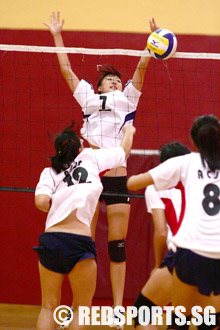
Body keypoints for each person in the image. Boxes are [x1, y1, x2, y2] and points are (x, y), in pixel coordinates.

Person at [44, 11, 160, 317]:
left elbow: (142, 67)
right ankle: (78, 304)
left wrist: (154, 41)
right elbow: (66, 68)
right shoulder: (88, 99)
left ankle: (119, 308)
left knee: (117, 245)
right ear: (99, 87)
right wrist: (57, 34)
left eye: (118, 79)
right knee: (84, 241)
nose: (116, 80)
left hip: (117, 174)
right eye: (110, 79)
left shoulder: (127, 99)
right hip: (91, 173)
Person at [33, 122, 136, 330]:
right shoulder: (90, 157)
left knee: (49, 306)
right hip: (78, 242)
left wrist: (59, 205)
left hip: (51, 240)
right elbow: (123, 151)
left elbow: (41, 202)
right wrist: (129, 131)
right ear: (79, 148)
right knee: (82, 308)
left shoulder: (50, 171)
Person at [128, 115, 220, 330]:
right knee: (208, 324)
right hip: (215, 257)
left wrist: (168, 173)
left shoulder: (185, 163)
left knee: (171, 320)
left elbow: (132, 183)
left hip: (189, 253)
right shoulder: (186, 162)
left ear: (194, 143)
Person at [132, 142, 191, 330]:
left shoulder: (155, 187)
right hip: (213, 256)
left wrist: (158, 265)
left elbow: (161, 232)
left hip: (183, 255)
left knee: (142, 315)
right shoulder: (203, 182)